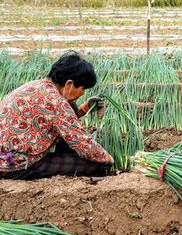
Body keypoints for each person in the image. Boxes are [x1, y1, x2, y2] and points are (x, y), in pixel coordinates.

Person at [0, 51, 114, 180]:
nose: (82, 93)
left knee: (71, 105)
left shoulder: (35, 86)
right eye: (83, 89)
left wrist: (84, 109)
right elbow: (81, 142)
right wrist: (108, 159)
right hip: (15, 166)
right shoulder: (56, 102)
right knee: (95, 165)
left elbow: (56, 119)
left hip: (4, 158)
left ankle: (65, 159)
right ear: (69, 84)